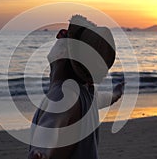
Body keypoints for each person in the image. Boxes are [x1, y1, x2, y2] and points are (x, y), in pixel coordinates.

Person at [28, 15, 124, 159]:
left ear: (64, 51)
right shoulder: (87, 94)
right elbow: (105, 99)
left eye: (63, 35)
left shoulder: (64, 93)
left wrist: (41, 151)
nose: (57, 38)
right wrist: (117, 92)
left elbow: (52, 122)